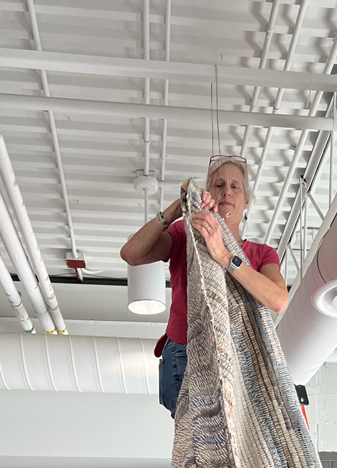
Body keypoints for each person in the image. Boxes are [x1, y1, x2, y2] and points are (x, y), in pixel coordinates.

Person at [120, 155, 288, 417]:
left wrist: (223, 256)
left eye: (235, 187)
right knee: (196, 449)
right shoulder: (185, 236)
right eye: (219, 186)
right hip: (185, 351)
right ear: (208, 195)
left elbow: (278, 299)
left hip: (238, 357)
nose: (226, 192)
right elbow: (132, 253)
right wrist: (179, 207)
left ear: (246, 202)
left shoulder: (261, 254)